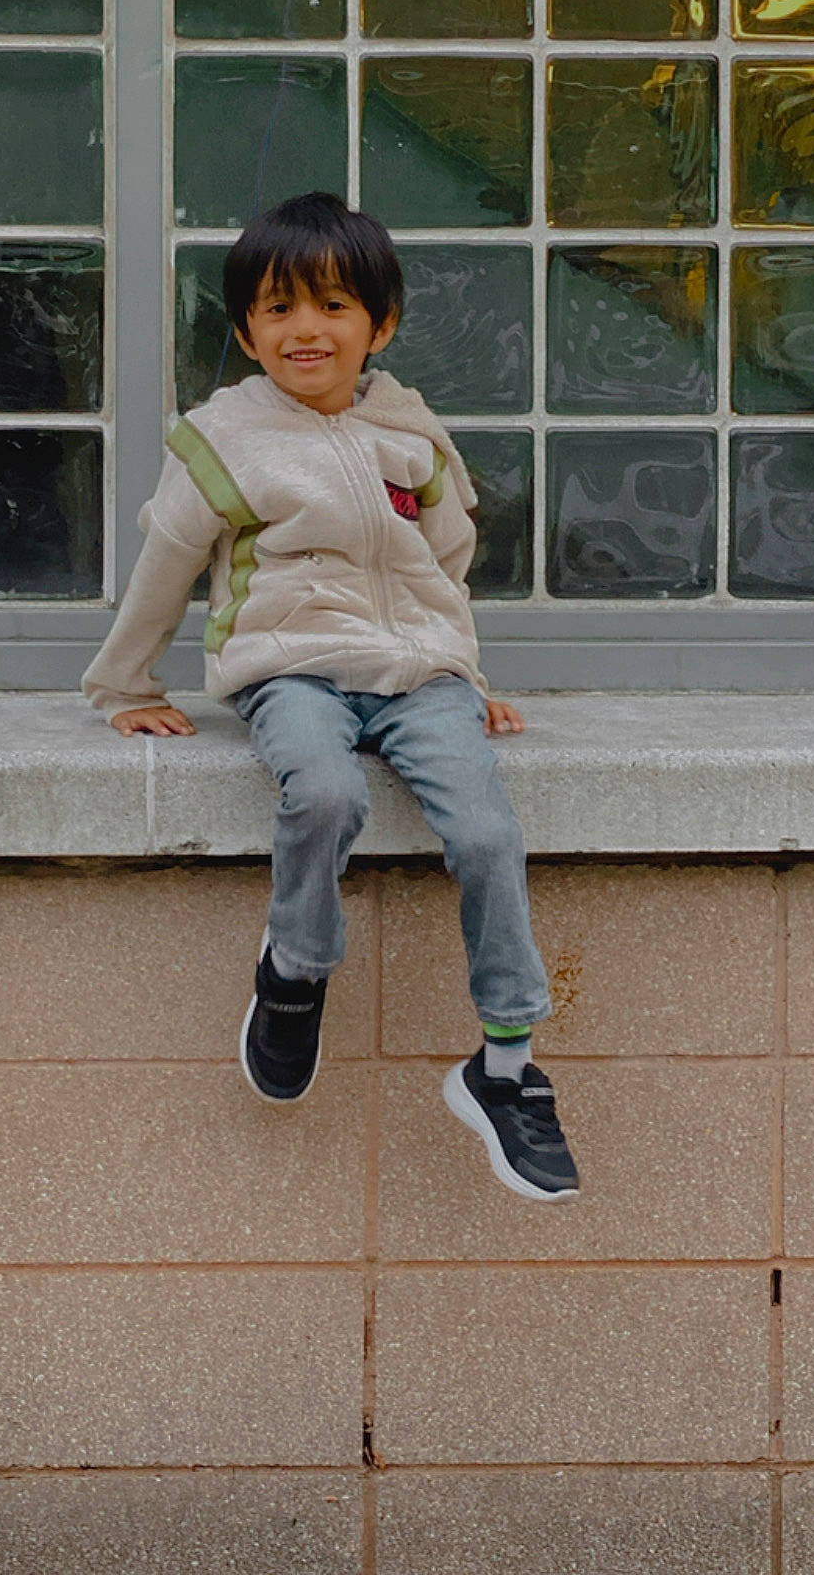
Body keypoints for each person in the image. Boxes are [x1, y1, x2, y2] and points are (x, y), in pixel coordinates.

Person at [83, 192, 578, 1201]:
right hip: (291, 669)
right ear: (246, 331)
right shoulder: (222, 438)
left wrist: (466, 674)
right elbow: (168, 563)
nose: (306, 328)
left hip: (416, 677)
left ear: (380, 324)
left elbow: (446, 563)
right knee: (328, 794)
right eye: (277, 309)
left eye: (333, 306)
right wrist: (123, 683)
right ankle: (295, 972)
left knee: (485, 832)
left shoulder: (409, 430)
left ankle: (506, 1064)